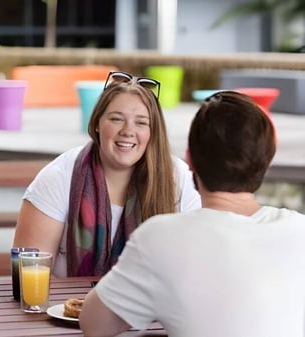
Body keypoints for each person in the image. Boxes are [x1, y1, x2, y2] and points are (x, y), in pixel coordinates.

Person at [79, 91, 305, 337]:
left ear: (190, 161)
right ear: (268, 159)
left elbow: (94, 326)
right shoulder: (299, 230)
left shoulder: (161, 237)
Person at [13, 71, 201, 277]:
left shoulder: (179, 179)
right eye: (117, 119)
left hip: (150, 308)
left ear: (153, 132)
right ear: (96, 123)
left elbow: (192, 270)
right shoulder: (58, 177)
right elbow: (26, 278)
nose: (128, 131)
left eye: (141, 122)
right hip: (66, 307)